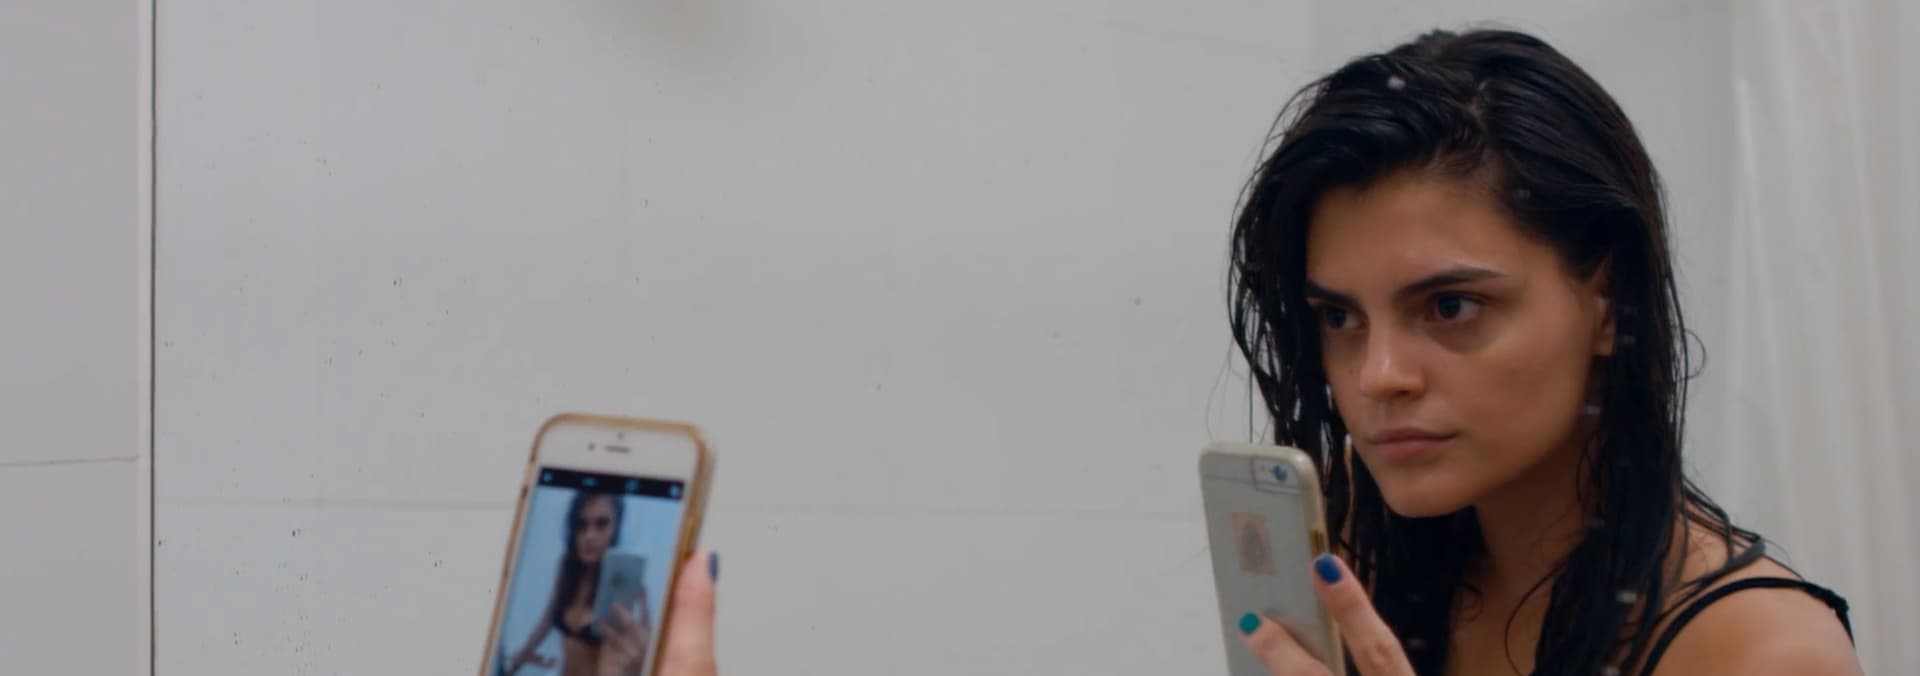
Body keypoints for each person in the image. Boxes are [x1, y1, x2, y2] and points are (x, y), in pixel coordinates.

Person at [647, 27, 1861, 676]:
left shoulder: (1758, 652)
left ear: (1605, 299)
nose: (1377, 376)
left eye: (1450, 307)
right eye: (1339, 316)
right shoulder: (1366, 551)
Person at [505, 491, 658, 676]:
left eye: (601, 524)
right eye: (582, 525)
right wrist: (516, 663)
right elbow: (547, 619)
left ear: (616, 529)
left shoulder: (618, 591)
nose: (589, 536)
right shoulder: (567, 567)